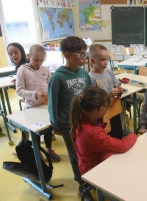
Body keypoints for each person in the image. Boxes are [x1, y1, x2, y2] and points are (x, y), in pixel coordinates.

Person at [48, 36, 92, 197]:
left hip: (85, 121)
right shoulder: (58, 77)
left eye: (84, 54)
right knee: (75, 156)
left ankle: (91, 180)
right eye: (80, 54)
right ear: (67, 55)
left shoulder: (83, 73)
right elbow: (53, 103)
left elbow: (89, 95)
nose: (84, 58)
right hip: (68, 124)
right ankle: (82, 185)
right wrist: (55, 125)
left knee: (88, 152)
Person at [69, 86, 137, 175]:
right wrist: (134, 135)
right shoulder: (92, 132)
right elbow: (123, 146)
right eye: (107, 107)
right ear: (100, 109)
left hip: (90, 164)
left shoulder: (81, 118)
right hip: (94, 171)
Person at [15, 44, 60, 161]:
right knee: (36, 130)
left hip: (45, 106)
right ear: (29, 56)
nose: (38, 63)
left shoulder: (45, 70)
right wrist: (35, 94)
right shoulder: (22, 70)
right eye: (35, 60)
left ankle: (49, 149)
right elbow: (19, 91)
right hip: (32, 107)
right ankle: (37, 151)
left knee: (48, 129)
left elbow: (50, 86)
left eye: (41, 60)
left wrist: (51, 95)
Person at [88, 44, 124, 139]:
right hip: (102, 114)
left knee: (117, 135)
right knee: (107, 137)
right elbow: (94, 101)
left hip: (114, 110)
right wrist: (108, 95)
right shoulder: (91, 77)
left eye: (107, 59)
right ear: (92, 61)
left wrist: (120, 90)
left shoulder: (109, 72)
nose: (106, 62)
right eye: (102, 59)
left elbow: (117, 86)